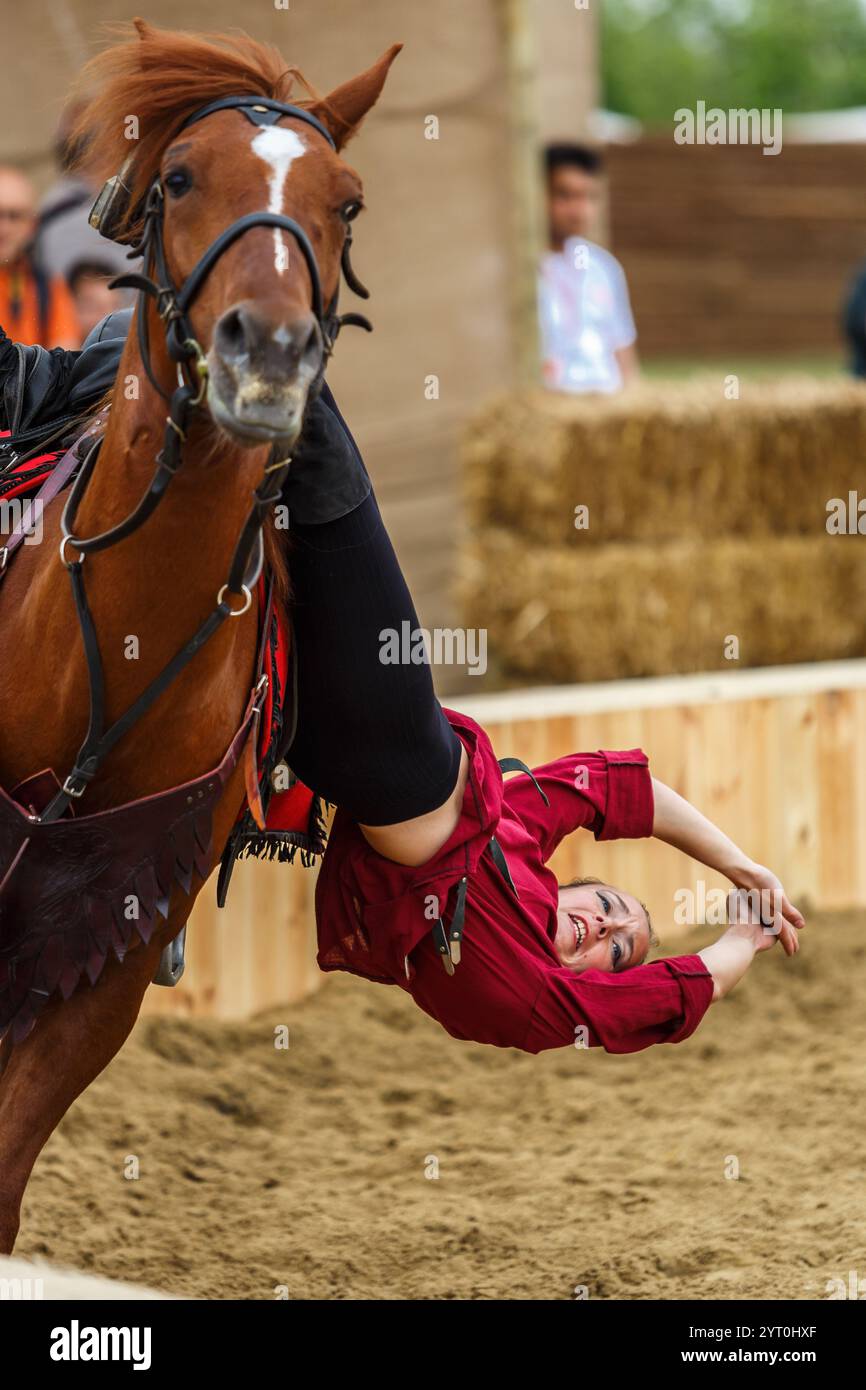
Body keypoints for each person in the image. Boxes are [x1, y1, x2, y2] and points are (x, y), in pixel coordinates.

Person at [0, 313, 804, 1056]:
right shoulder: (517, 832)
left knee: (297, 392)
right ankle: (62, 373)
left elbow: (664, 1003)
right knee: (229, 417)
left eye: (613, 951)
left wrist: (739, 943)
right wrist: (742, 868)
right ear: (575, 884)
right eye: (611, 912)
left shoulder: (544, 1005)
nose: (599, 934)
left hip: (387, 764)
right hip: (379, 736)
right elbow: (624, 792)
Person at [539, 143, 640, 394]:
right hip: (550, 404)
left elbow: (623, 352)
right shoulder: (521, 269)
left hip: (605, 404)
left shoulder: (602, 267)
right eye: (565, 195)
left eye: (589, 196)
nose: (579, 210)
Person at [0, 167, 79, 350]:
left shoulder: (50, 289)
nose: (3, 228)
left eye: (14, 216)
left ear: (32, 226)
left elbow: (65, 358)